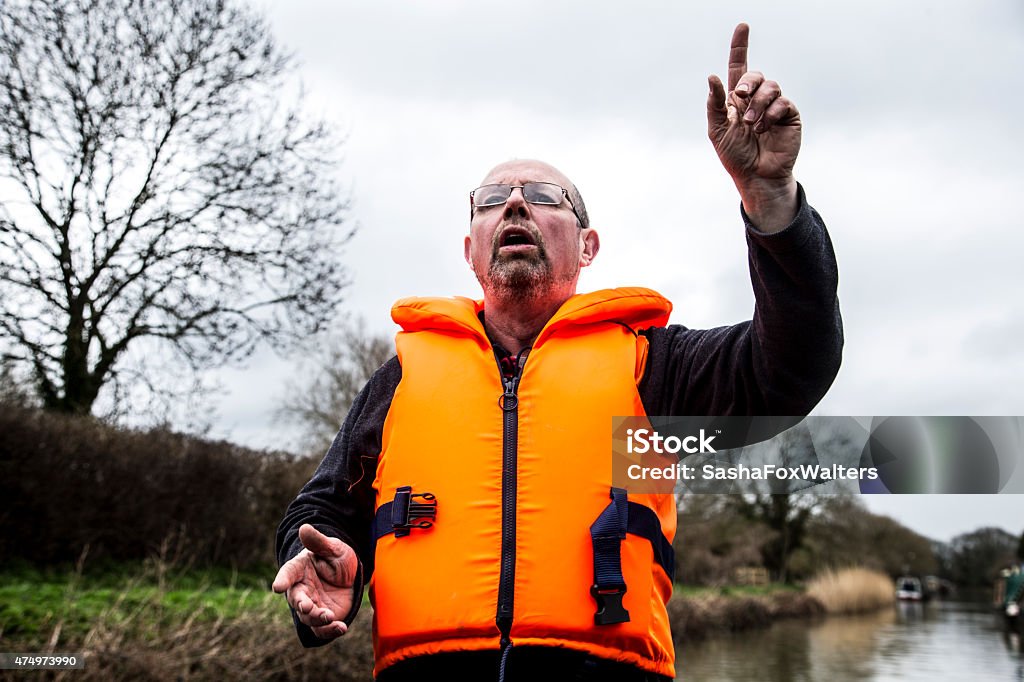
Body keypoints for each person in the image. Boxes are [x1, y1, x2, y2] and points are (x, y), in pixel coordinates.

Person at [274, 23, 843, 681]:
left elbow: (794, 368)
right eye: (493, 200)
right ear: (470, 250)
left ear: (588, 246)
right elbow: (320, 510)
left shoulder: (651, 365)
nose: (516, 201)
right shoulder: (401, 379)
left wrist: (770, 199)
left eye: (546, 198)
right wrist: (318, 562)